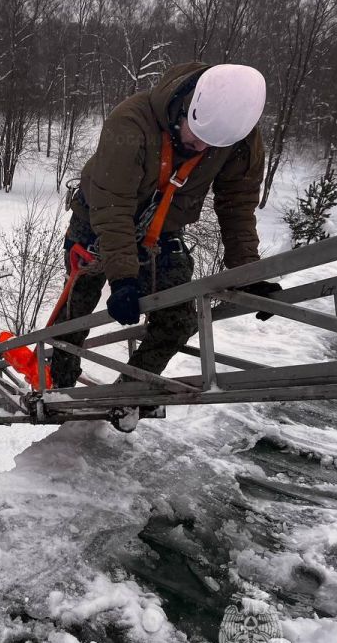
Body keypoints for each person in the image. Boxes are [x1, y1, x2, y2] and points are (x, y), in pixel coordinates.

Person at [48, 62, 281, 430]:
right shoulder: (131, 123)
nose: (201, 148)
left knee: (178, 321)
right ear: (187, 104)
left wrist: (247, 272)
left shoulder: (239, 136)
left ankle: (129, 394)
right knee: (77, 311)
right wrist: (123, 278)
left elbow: (237, 205)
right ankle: (57, 386)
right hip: (98, 224)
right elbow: (113, 206)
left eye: (212, 145)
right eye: (195, 138)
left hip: (162, 233)